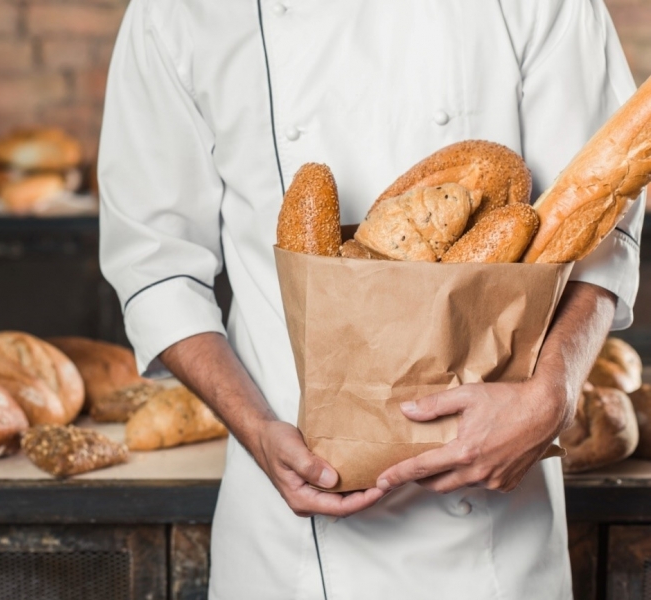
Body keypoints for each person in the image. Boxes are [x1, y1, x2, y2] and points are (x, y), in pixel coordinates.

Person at [98, 1, 644, 597]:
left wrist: (555, 390)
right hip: (288, 548)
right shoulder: (175, 12)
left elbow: (599, 213)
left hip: (491, 542)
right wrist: (255, 429)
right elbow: (156, 266)